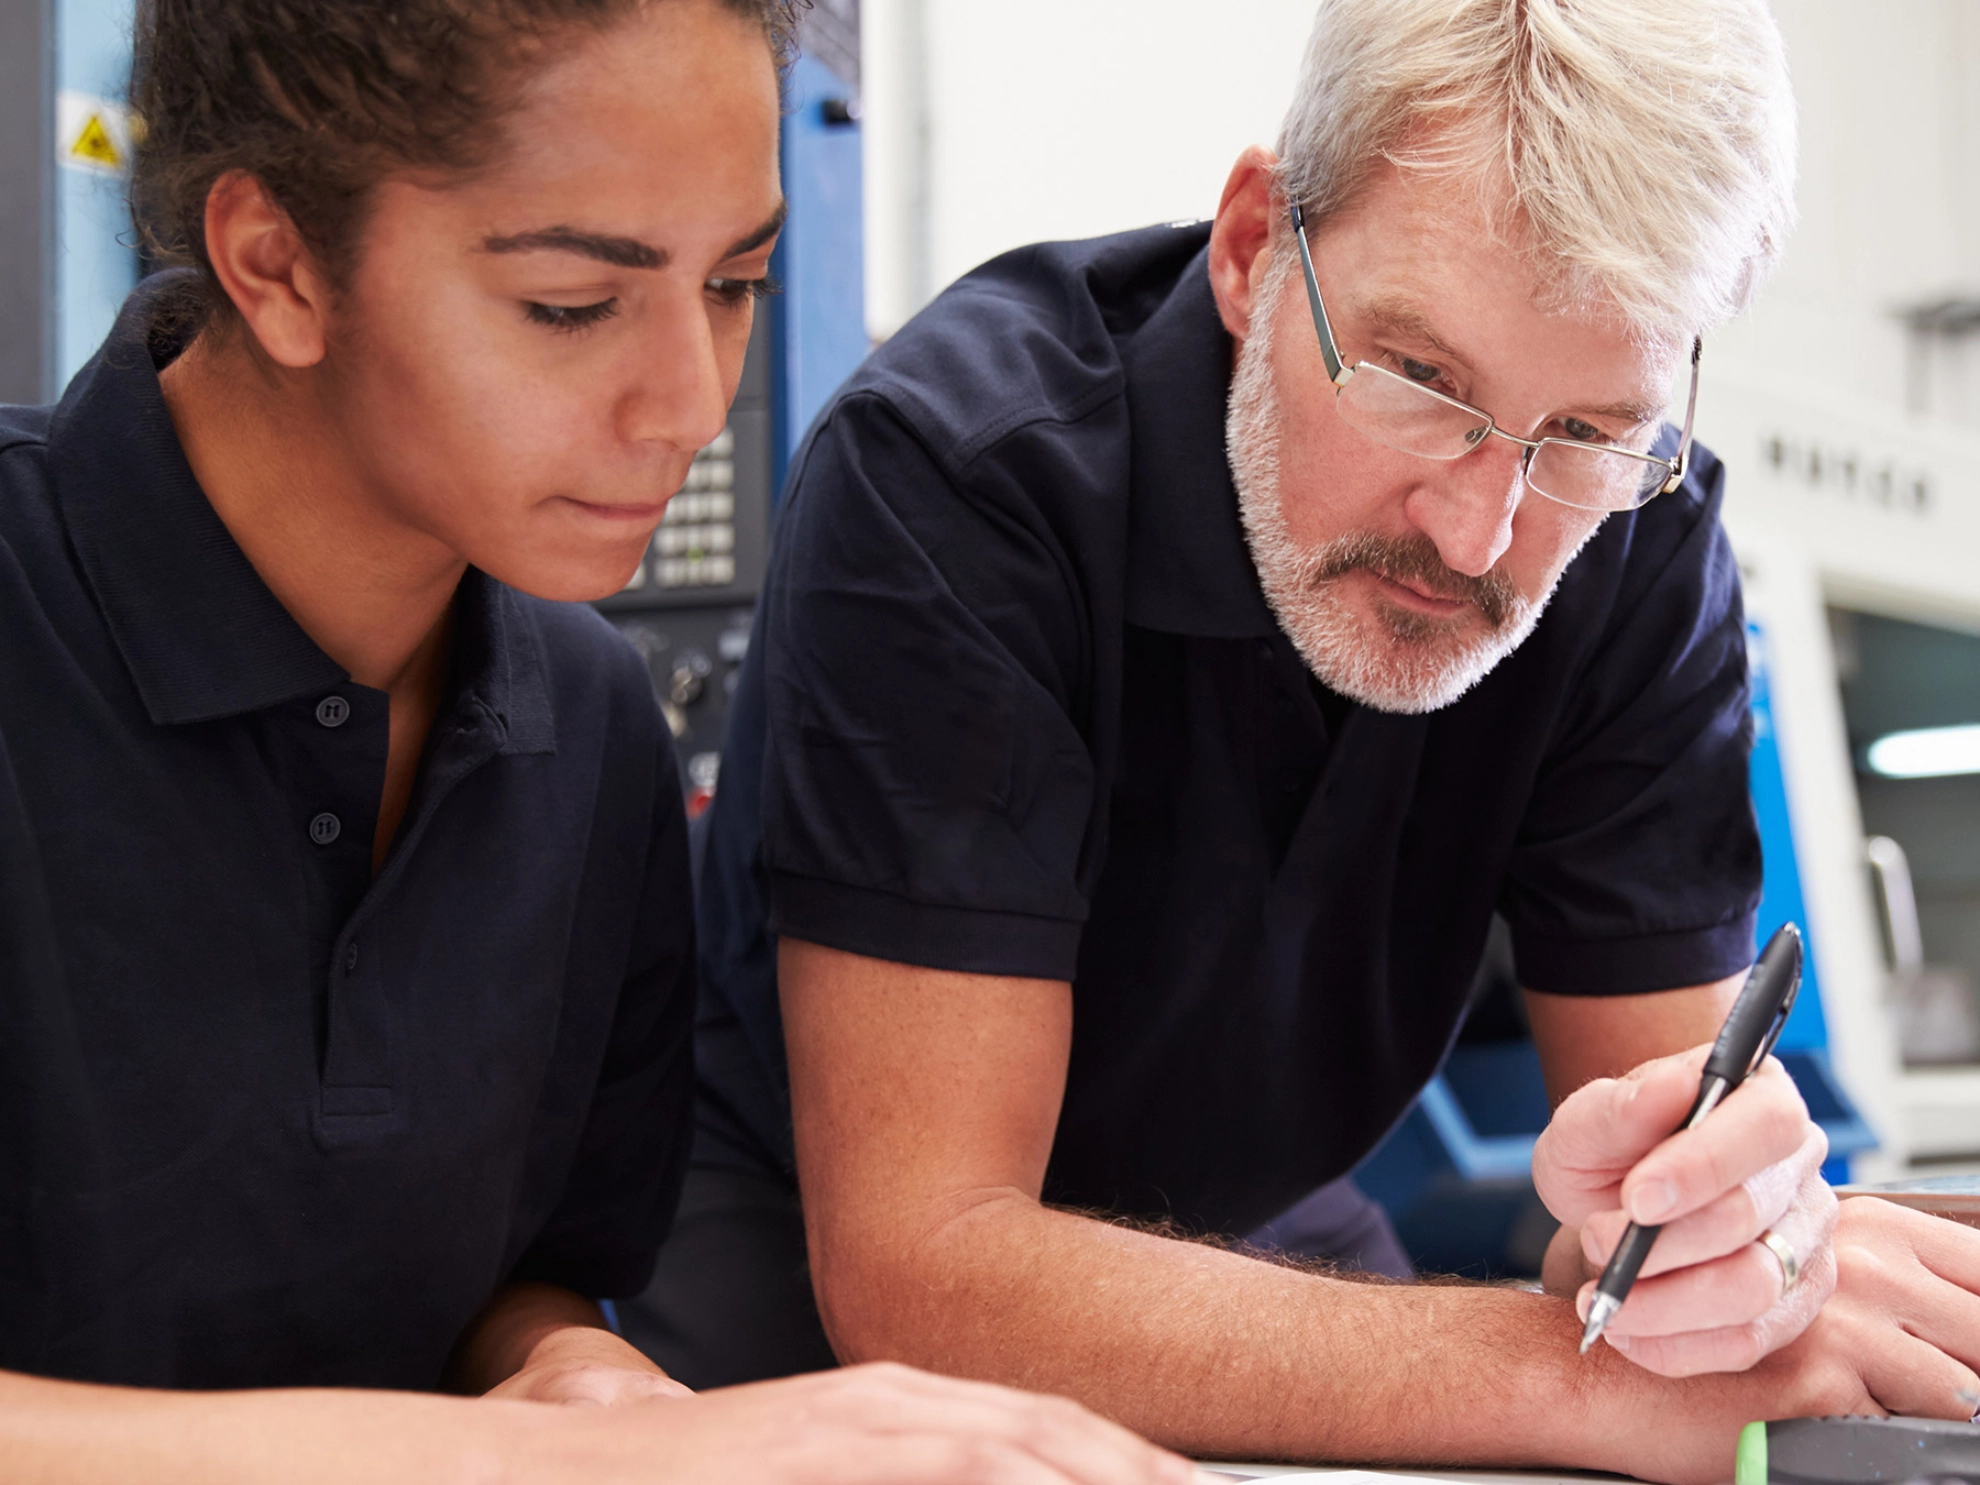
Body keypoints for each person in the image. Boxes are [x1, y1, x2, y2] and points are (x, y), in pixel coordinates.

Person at [636, 0, 1980, 1479]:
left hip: (1260, 1223)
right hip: (812, 1243)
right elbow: (931, 1262)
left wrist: (1720, 1251)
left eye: (1589, 433)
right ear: (1251, 247)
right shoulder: (962, 482)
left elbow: (1655, 1223)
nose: (1483, 534)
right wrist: (1577, 1380)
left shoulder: (1636, 542)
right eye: (1420, 381)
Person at [0, 0, 1195, 1480]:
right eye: (573, 304)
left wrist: (568, 1368)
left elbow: (520, 1279)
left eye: (737, 282)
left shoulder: (586, 720)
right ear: (276, 264)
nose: (692, 401)